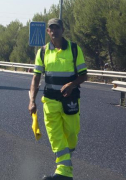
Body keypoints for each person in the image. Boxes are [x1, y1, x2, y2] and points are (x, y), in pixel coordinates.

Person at [28, 18, 88, 180]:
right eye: (51, 28)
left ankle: (64, 169)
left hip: (70, 101)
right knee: (55, 135)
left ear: (63, 30)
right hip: (50, 102)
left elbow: (84, 75)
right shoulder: (42, 52)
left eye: (57, 28)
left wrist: (72, 84)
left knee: (71, 134)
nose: (54, 31)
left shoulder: (74, 50)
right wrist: (32, 100)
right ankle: (64, 172)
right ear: (48, 32)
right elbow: (36, 78)